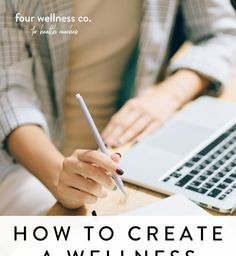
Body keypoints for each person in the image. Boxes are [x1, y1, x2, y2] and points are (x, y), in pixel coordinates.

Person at [0, 0, 236, 215]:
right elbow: (9, 97)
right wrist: (59, 177)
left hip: (133, 146)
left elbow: (222, 33)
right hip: (31, 164)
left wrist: (168, 96)